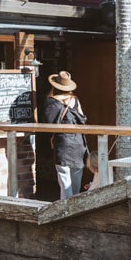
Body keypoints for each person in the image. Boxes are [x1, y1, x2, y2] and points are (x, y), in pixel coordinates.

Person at [44, 71, 88, 200]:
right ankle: (75, 207)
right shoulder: (75, 100)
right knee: (76, 177)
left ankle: (65, 210)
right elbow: (83, 119)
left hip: (62, 141)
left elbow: (48, 122)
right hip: (78, 141)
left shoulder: (51, 102)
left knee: (64, 181)